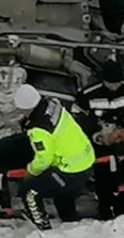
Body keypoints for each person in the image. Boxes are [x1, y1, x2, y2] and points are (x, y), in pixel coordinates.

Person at [73, 58, 124, 220]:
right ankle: (106, 210)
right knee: (103, 174)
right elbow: (79, 118)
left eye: (117, 83)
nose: (114, 87)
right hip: (101, 142)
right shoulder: (88, 94)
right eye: (110, 84)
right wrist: (97, 134)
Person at [12, 84, 96, 230]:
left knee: (30, 192)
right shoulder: (53, 104)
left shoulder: (38, 128)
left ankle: (43, 228)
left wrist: (30, 171)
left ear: (24, 109)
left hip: (71, 170)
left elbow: (44, 159)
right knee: (62, 194)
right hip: (86, 160)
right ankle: (71, 225)